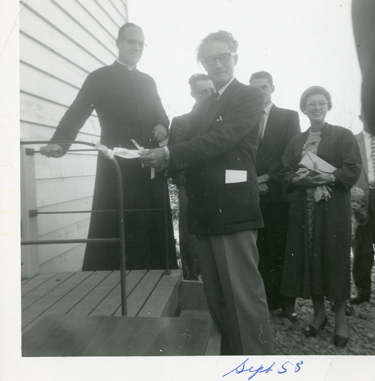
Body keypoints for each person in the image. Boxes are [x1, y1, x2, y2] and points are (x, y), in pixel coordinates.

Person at [140, 31, 274, 355]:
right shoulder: (202, 105)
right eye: (209, 59)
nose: (217, 64)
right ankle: (230, 358)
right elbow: (184, 148)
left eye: (223, 57)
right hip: (203, 211)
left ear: (235, 58)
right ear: (202, 64)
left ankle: (258, 364)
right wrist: (152, 155)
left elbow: (221, 139)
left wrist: (170, 154)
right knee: (215, 296)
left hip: (233, 208)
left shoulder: (249, 96)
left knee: (243, 296)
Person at [40, 22, 178, 271]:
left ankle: (155, 275)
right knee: (116, 222)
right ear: (118, 43)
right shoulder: (100, 77)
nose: (136, 47)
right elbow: (78, 111)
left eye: (140, 43)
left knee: (150, 221)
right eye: (131, 42)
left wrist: (161, 126)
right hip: (115, 163)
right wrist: (60, 143)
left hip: (147, 163)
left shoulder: (148, 81)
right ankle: (110, 280)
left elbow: (162, 115)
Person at [280, 86, 361, 348]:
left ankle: (340, 319)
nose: (317, 107)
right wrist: (298, 178)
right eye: (311, 104)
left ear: (328, 106)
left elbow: (352, 168)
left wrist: (329, 177)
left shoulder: (342, 135)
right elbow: (285, 172)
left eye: (322, 103)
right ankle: (319, 314)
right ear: (303, 109)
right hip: (304, 211)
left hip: (333, 209)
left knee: (334, 258)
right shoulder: (296, 141)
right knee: (309, 258)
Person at [249, 71, 300, 322]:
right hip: (250, 193)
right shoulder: (245, 117)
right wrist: (252, 181)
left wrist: (267, 177)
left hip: (277, 191)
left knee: (281, 249)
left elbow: (291, 153)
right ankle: (265, 303)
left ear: (272, 88)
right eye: (255, 88)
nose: (260, 92)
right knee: (257, 250)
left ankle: (286, 303)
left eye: (264, 87)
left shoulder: (288, 117)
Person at [168, 74, 214, 280]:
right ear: (193, 94)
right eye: (201, 92)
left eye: (210, 91)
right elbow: (176, 157)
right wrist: (184, 184)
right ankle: (192, 279)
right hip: (190, 187)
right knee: (190, 235)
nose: (206, 96)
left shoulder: (223, 119)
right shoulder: (180, 122)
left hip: (217, 185)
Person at [350, 114, 375, 305]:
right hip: (362, 196)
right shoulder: (353, 141)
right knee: (361, 246)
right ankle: (362, 291)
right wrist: (355, 201)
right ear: (362, 117)